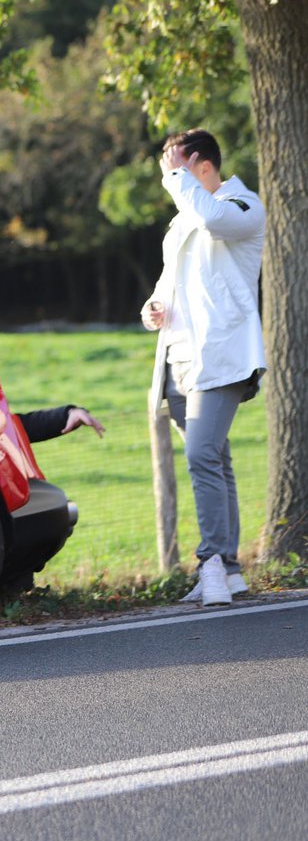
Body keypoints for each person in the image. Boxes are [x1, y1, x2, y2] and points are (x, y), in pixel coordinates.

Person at [140, 128, 265, 607]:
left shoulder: (241, 206)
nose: (170, 182)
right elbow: (169, 281)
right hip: (179, 356)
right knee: (216, 458)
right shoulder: (182, 221)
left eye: (177, 169)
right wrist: (152, 307)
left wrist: (176, 177)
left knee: (200, 455)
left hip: (223, 354)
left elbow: (213, 221)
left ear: (200, 165)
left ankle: (211, 562)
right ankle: (231, 570)